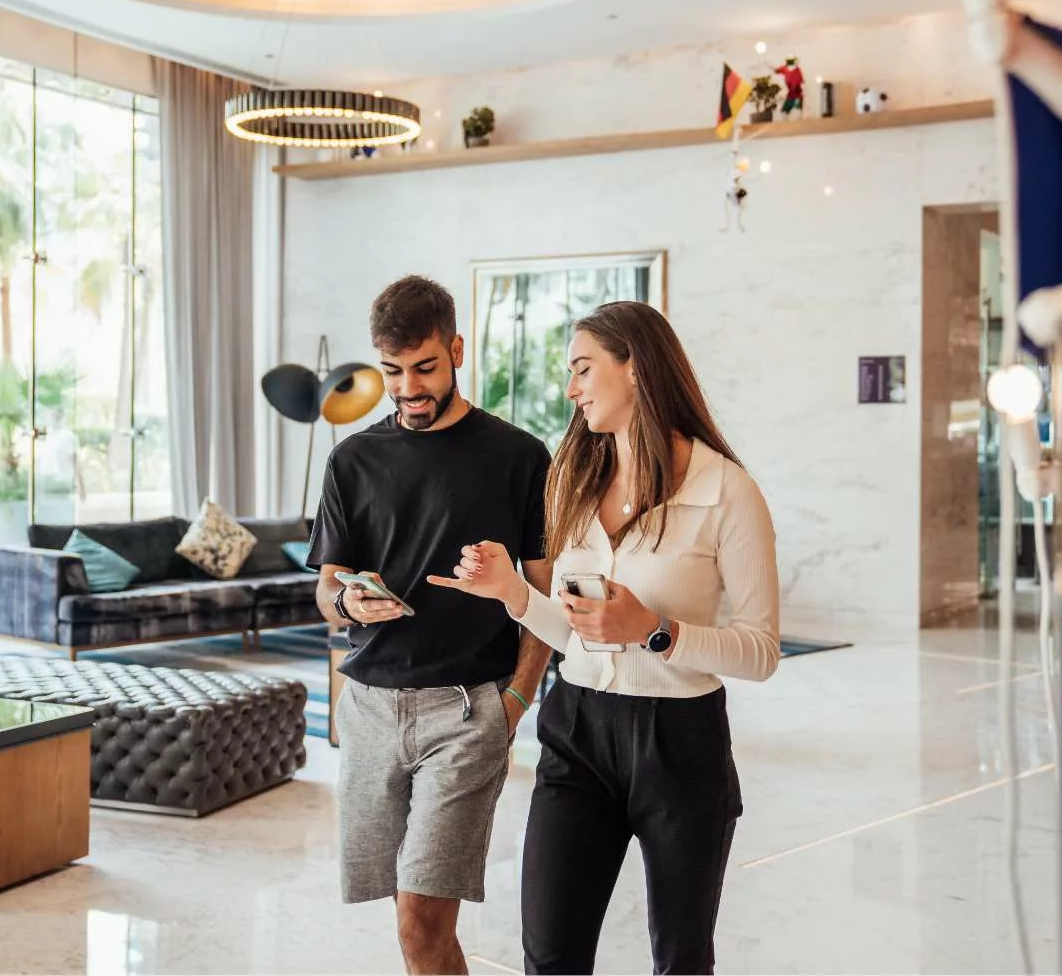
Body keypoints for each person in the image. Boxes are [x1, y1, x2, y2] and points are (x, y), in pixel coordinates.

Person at [429, 301, 780, 975]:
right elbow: (578, 635)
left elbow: (761, 649)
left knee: (680, 959)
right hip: (577, 730)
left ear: (637, 369)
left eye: (583, 369)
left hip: (681, 745)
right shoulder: (575, 481)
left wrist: (656, 631)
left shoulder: (728, 491)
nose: (570, 389)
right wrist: (512, 592)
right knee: (550, 953)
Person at [308, 275, 554, 976]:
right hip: (368, 709)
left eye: (425, 368)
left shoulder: (518, 457)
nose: (408, 388)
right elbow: (327, 587)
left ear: (457, 350)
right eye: (392, 372)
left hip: (466, 710)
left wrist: (512, 705)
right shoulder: (352, 459)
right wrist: (350, 604)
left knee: (422, 919)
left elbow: (540, 598)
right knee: (408, 919)